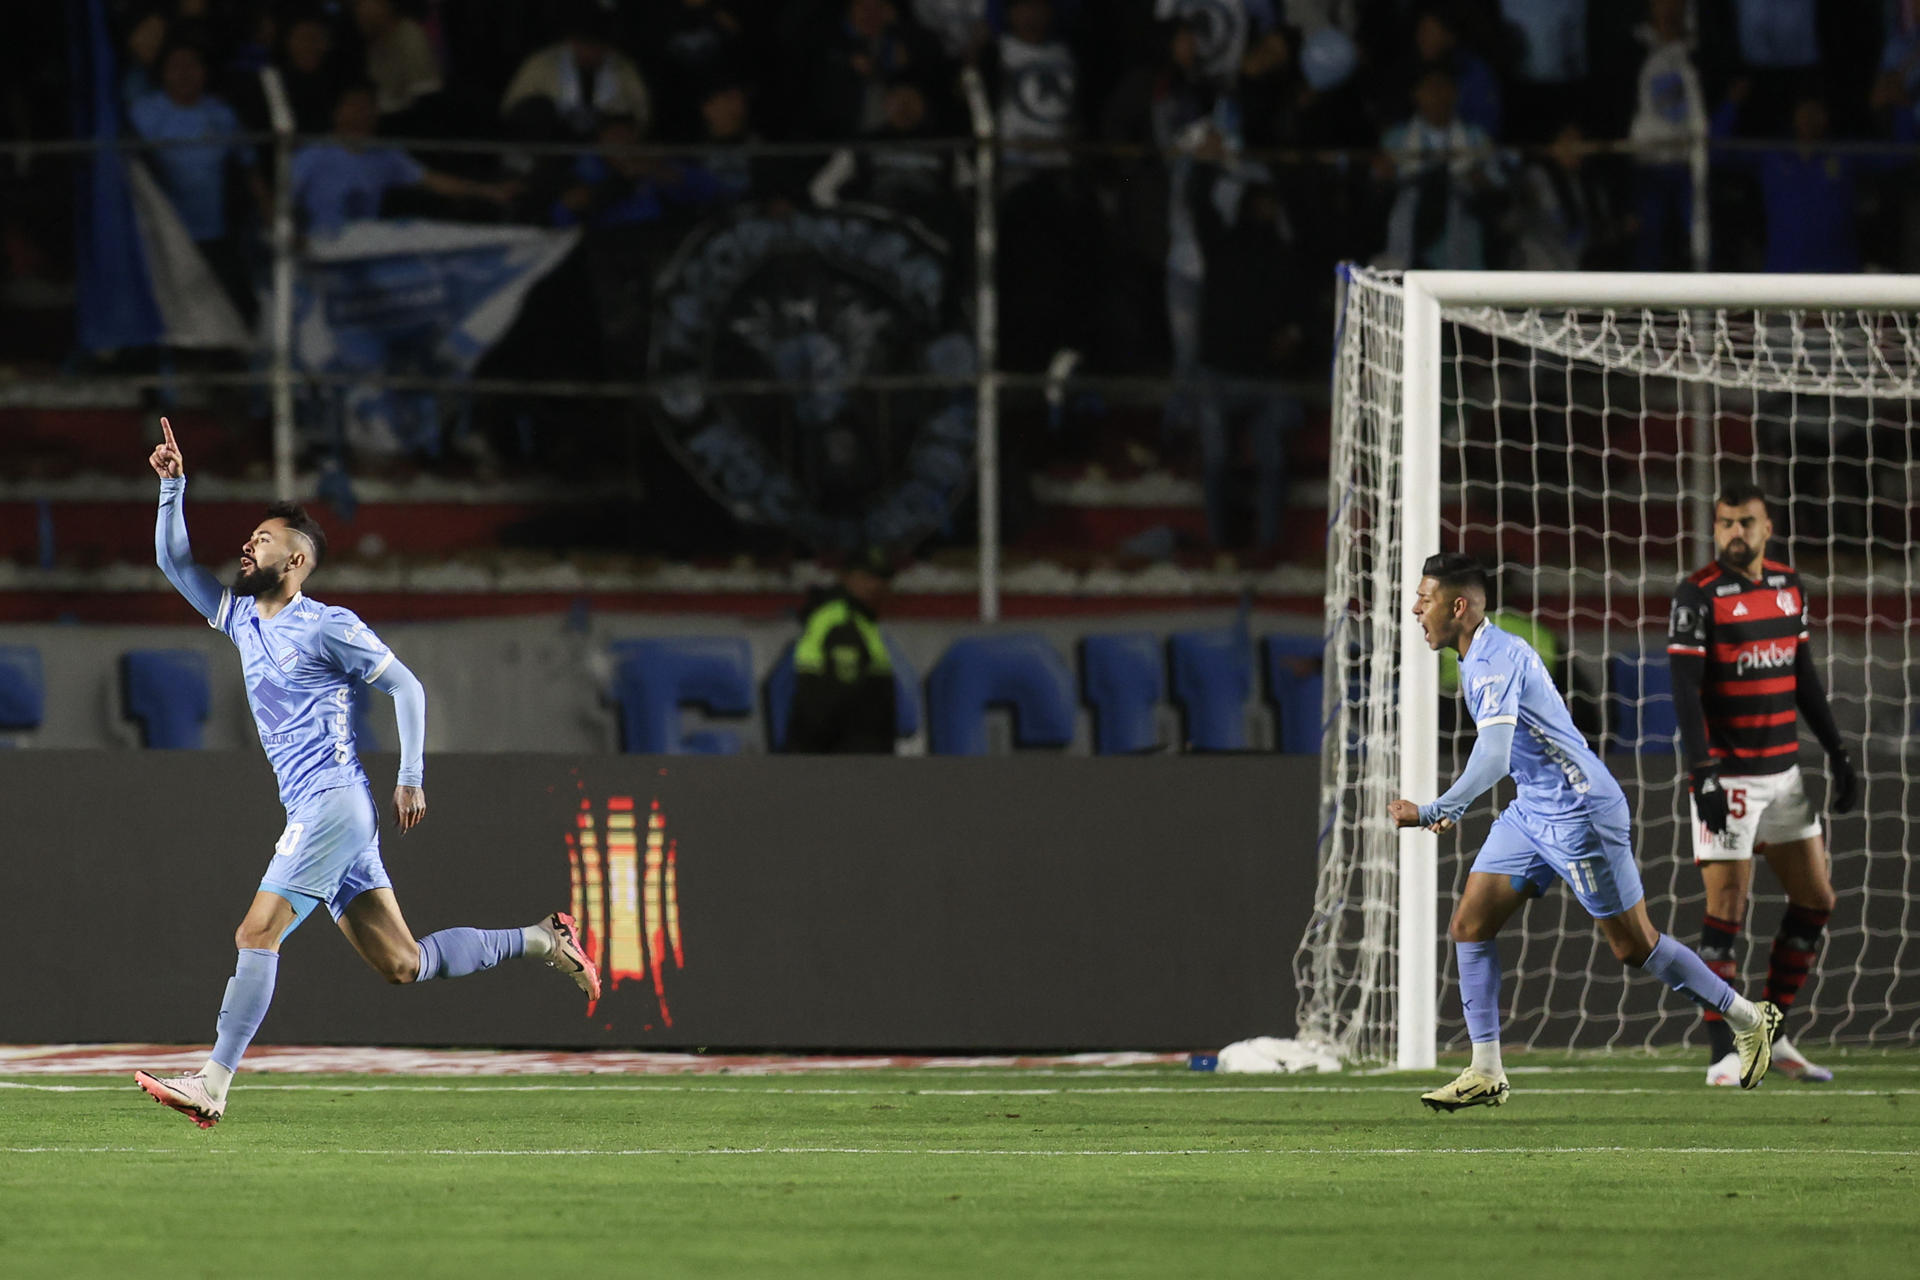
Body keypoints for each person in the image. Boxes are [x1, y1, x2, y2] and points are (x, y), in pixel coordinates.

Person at [133, 418, 599, 1129]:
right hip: (321, 813)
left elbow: (407, 688)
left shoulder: (327, 624)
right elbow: (174, 564)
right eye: (250, 537)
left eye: (262, 540)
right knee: (404, 964)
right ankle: (543, 938)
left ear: (296, 562)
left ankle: (214, 1083)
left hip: (335, 805)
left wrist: (410, 776)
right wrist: (173, 487)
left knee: (256, 933)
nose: (246, 546)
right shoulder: (241, 619)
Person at [1389, 552, 1781, 1111]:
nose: (1414, 609)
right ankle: (1485, 1069)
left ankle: (1747, 1017)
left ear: (1458, 605)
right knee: (1469, 924)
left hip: (1579, 812)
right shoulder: (1475, 654)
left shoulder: (1497, 659)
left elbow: (1495, 755)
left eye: (1424, 600)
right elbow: (1503, 757)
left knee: (1634, 945)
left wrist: (1433, 810)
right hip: (1533, 809)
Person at [1666, 481, 1856, 1086]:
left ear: (1766, 528)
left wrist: (1840, 752)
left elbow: (1803, 676)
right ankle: (1724, 1049)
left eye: (1745, 523)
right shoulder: (1697, 595)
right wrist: (1704, 776)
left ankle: (1769, 1033)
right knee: (1726, 908)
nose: (1734, 534)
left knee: (1817, 900)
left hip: (1785, 775)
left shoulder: (1787, 586)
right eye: (1724, 524)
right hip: (1732, 776)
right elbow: (1685, 695)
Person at [293, 84, 516, 236]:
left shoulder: (386, 154)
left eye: (368, 107)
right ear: (337, 112)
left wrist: (488, 191)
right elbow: (285, 199)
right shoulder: (312, 155)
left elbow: (433, 181)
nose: (362, 114)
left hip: (363, 246)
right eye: (354, 106)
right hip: (319, 248)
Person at [785, 547, 900, 755]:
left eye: (880, 578)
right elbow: (839, 702)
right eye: (865, 577)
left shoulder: (861, 620)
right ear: (844, 577)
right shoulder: (840, 622)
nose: (874, 586)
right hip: (841, 757)